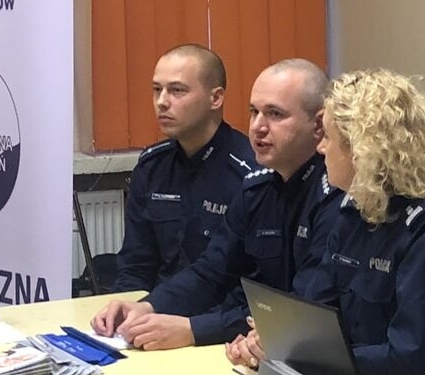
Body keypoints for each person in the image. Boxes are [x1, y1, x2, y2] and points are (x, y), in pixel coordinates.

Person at [227, 68, 425, 375]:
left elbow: (411, 360)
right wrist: (272, 342)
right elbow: (313, 315)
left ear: (362, 149)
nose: (321, 149)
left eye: (329, 138)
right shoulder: (353, 211)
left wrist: (304, 358)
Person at [91, 59, 342, 350]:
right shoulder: (258, 189)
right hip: (259, 341)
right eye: (254, 112)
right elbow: (211, 272)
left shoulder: (336, 196)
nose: (258, 127)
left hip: (303, 349)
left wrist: (193, 330)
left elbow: (303, 310)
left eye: (275, 114)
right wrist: (149, 306)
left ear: (318, 124)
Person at [111, 44, 255, 292]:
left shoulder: (249, 171)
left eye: (177, 90)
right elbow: (136, 266)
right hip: (156, 307)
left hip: (218, 311)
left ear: (216, 98)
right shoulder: (152, 167)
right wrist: (126, 307)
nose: (161, 102)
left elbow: (250, 282)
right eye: (157, 90)